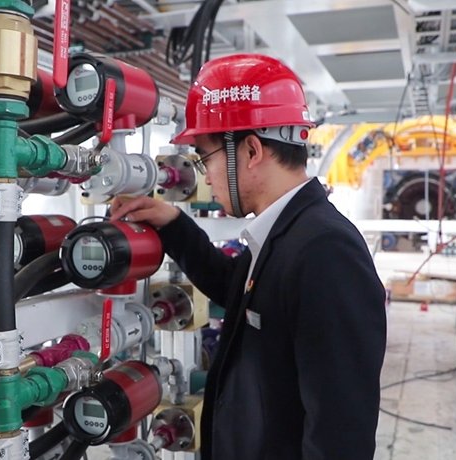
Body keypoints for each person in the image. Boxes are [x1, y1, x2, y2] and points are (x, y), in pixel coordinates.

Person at [110, 54, 386, 460]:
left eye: (205, 158)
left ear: (252, 150)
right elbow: (238, 292)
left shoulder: (325, 252)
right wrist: (173, 225)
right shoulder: (287, 232)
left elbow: (341, 432)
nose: (205, 176)